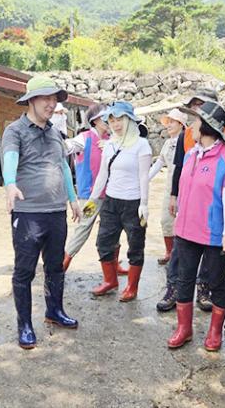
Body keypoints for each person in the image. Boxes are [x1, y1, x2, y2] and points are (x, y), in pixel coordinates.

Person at [1, 76, 81, 350]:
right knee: (24, 270)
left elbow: (63, 167)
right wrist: (10, 183)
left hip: (56, 212)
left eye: (54, 99)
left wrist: (73, 199)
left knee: (55, 266)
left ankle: (54, 311)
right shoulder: (15, 130)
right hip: (28, 213)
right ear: (31, 100)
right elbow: (10, 158)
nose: (51, 104)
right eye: (46, 98)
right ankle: (24, 324)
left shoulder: (55, 133)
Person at [167, 101, 225, 352]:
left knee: (216, 281)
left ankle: (214, 331)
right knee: (184, 278)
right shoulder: (191, 154)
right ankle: (184, 329)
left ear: (208, 126)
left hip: (213, 235)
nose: (191, 126)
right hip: (186, 231)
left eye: (196, 122)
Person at [84, 101, 152, 302]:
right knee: (103, 242)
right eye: (112, 120)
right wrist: (92, 200)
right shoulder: (110, 145)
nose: (115, 124)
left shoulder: (142, 145)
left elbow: (144, 177)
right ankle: (110, 280)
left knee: (135, 246)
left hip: (133, 203)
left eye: (119, 119)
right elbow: (103, 175)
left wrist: (144, 204)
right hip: (111, 201)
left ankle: (132, 287)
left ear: (129, 120)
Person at [163, 88, 221, 313]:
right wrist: (174, 195)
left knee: (209, 248)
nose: (196, 111)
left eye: (201, 106)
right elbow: (179, 167)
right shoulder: (186, 135)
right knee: (180, 247)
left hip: (210, 202)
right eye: (194, 107)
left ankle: (204, 289)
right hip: (188, 202)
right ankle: (173, 288)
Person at [62, 104, 127, 275]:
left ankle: (114, 265)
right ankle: (63, 263)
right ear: (95, 121)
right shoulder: (84, 138)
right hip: (90, 196)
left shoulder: (113, 139)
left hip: (111, 194)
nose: (109, 121)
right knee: (84, 226)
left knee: (113, 228)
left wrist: (112, 145)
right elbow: (66, 146)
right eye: (105, 117)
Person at [149, 108, 187, 266]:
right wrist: (145, 179)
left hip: (184, 186)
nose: (169, 125)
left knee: (183, 222)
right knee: (166, 220)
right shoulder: (167, 143)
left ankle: (182, 255)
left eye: (172, 122)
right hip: (169, 186)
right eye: (168, 122)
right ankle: (169, 252)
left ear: (181, 125)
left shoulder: (186, 142)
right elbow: (159, 163)